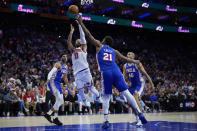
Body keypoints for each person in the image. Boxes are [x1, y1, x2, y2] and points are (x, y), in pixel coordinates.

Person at [76, 15, 147, 129]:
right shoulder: (114, 50)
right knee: (127, 94)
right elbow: (125, 59)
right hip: (117, 71)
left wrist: (81, 23)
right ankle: (140, 113)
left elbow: (88, 35)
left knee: (106, 97)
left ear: (104, 41)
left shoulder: (100, 45)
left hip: (107, 72)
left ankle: (106, 120)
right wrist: (135, 61)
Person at [67, 24, 102, 109]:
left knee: (91, 88)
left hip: (85, 71)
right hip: (77, 74)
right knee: (80, 90)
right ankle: (84, 101)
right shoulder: (73, 50)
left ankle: (98, 96)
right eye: (77, 40)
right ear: (76, 43)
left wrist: (79, 25)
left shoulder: (83, 48)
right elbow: (68, 42)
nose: (78, 40)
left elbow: (83, 37)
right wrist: (71, 32)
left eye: (79, 40)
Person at [123, 52, 154, 126]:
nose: (128, 55)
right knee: (131, 102)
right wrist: (125, 83)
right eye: (127, 54)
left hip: (139, 84)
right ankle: (137, 118)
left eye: (130, 54)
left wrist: (152, 84)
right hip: (132, 85)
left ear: (133, 57)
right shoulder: (125, 66)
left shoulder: (137, 63)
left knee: (136, 98)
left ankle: (141, 119)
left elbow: (145, 74)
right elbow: (124, 77)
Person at [44, 54, 69, 125]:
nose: (65, 57)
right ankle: (55, 117)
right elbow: (51, 72)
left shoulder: (66, 67)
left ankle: (49, 114)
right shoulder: (58, 64)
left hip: (58, 83)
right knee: (60, 99)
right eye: (63, 56)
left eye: (66, 56)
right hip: (53, 81)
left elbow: (65, 78)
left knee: (61, 101)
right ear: (61, 58)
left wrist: (69, 88)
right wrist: (47, 80)